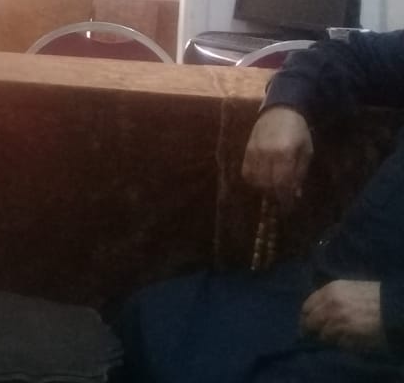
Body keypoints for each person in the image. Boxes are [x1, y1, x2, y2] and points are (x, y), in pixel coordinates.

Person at [121, 29, 404, 381]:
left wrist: (392, 310)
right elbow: (348, 54)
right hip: (325, 283)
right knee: (149, 318)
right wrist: (286, 105)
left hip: (384, 340)